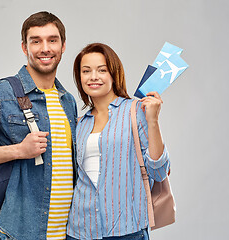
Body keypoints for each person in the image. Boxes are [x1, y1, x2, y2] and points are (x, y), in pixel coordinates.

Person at [0, 11, 77, 240]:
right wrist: (19, 151)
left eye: (52, 40)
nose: (45, 48)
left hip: (68, 233)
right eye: (35, 41)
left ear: (63, 46)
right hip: (21, 233)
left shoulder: (68, 102)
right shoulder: (2, 94)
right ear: (24, 48)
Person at [66, 43, 170, 240]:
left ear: (114, 73)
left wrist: (153, 120)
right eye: (86, 71)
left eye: (102, 70)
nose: (93, 76)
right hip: (80, 230)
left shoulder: (136, 111)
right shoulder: (79, 124)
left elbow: (159, 171)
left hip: (127, 230)